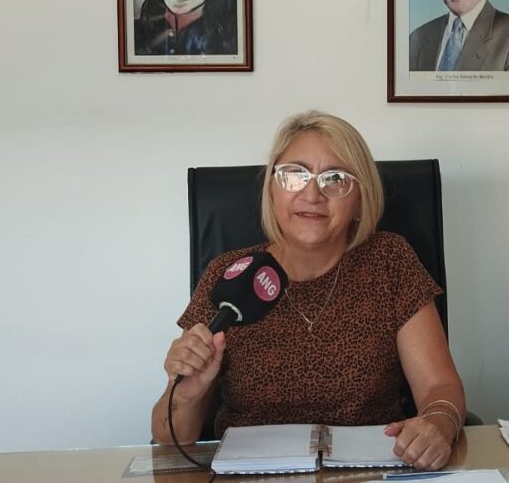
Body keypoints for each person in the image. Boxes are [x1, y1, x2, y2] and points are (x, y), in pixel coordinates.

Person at [151, 111, 466, 471]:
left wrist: (437, 425)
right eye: (294, 175)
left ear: (360, 200)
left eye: (336, 178)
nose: (313, 194)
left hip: (369, 472)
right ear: (272, 191)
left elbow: (440, 387)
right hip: (250, 477)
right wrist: (186, 395)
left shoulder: (389, 260)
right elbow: (168, 436)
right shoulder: (230, 274)